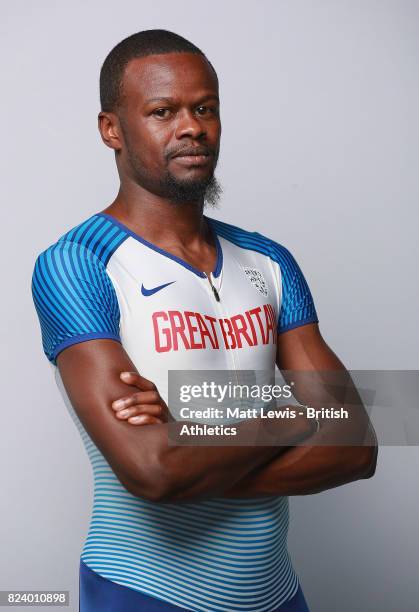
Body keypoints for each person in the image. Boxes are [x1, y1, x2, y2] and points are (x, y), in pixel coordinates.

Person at [31, 29, 377, 612]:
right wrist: (292, 416)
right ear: (111, 129)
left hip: (275, 595)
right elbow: (153, 469)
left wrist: (191, 445)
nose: (191, 126)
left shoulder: (269, 260)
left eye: (204, 108)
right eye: (162, 111)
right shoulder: (77, 263)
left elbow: (358, 445)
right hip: (144, 592)